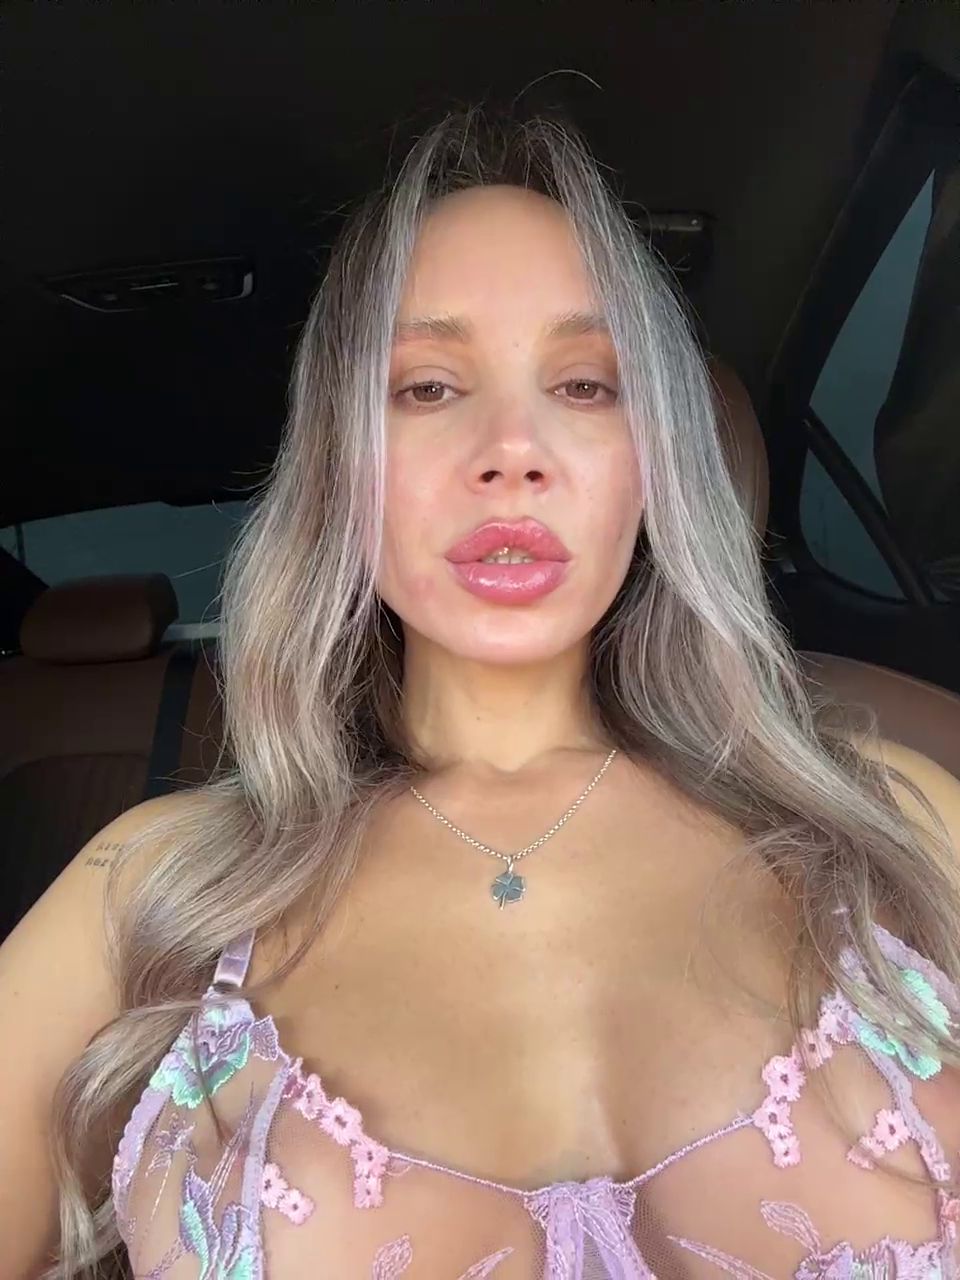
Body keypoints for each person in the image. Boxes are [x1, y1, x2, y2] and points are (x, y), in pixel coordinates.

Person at [3, 107, 960, 1280]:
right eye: (426, 386)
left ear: (655, 463)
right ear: (339, 468)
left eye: (585, 383)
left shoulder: (897, 823)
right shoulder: (149, 890)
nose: (514, 447)